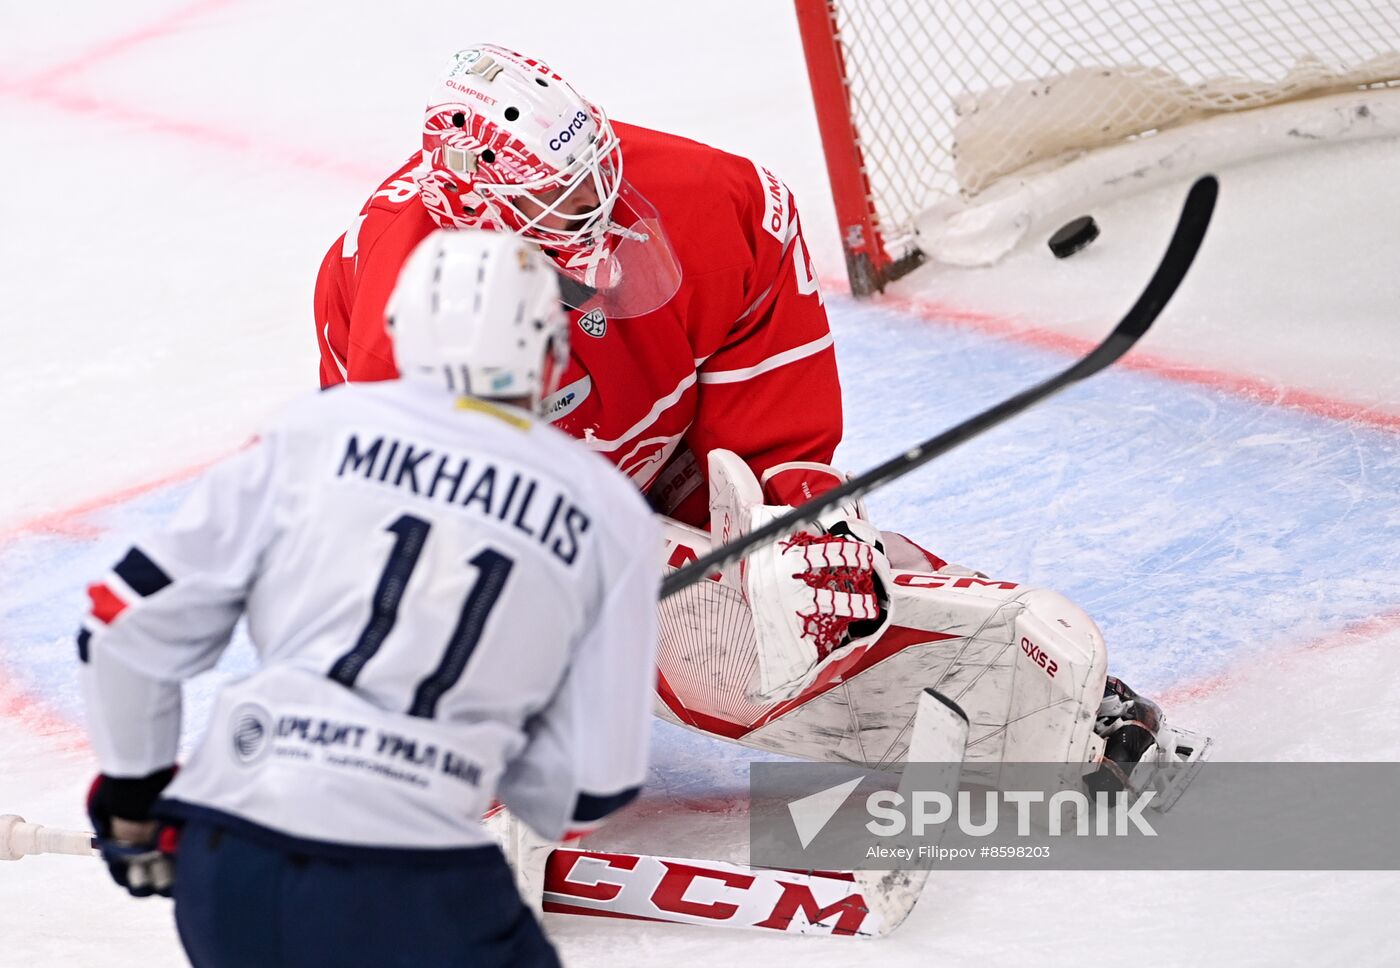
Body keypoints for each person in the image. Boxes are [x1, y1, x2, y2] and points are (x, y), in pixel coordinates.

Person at [314, 45, 1204, 802]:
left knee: (794, 608)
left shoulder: (710, 201)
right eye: (558, 202)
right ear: (474, 202)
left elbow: (772, 419)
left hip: (659, 450)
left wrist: (800, 517)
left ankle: (1030, 694)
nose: (594, 208)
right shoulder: (410, 311)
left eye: (594, 177)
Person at [79, 230, 661, 968]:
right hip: (419, 887)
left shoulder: (314, 433)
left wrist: (132, 801)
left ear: (397, 328)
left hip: (233, 861)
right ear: (551, 351)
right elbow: (585, 790)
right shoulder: (608, 512)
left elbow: (120, 625)